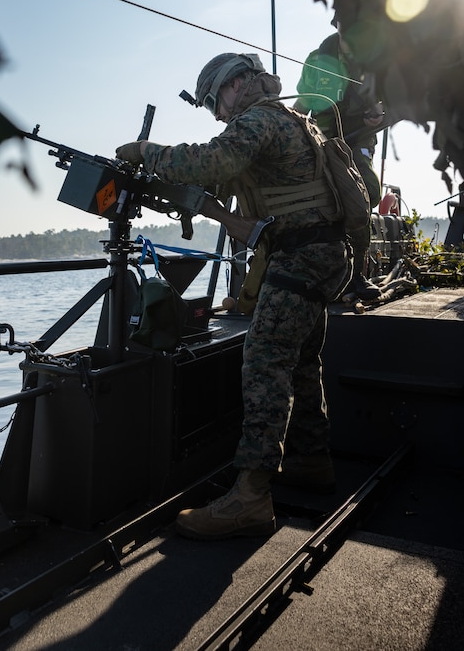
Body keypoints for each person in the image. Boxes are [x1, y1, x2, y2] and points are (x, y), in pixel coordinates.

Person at [116, 52, 351, 540]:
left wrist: (145, 151)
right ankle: (310, 459)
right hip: (322, 253)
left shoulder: (259, 119)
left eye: (213, 102)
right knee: (301, 361)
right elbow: (223, 177)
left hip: (300, 257)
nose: (216, 114)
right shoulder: (290, 119)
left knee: (264, 360)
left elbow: (210, 162)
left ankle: (250, 498)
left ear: (238, 83)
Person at [295, 19, 384, 300]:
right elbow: (302, 105)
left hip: (358, 141)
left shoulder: (377, 60)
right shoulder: (317, 60)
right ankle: (322, 270)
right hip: (323, 141)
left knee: (366, 192)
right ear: (337, 24)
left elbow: (394, 99)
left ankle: (357, 275)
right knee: (321, 198)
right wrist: (288, 128)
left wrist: (379, 111)